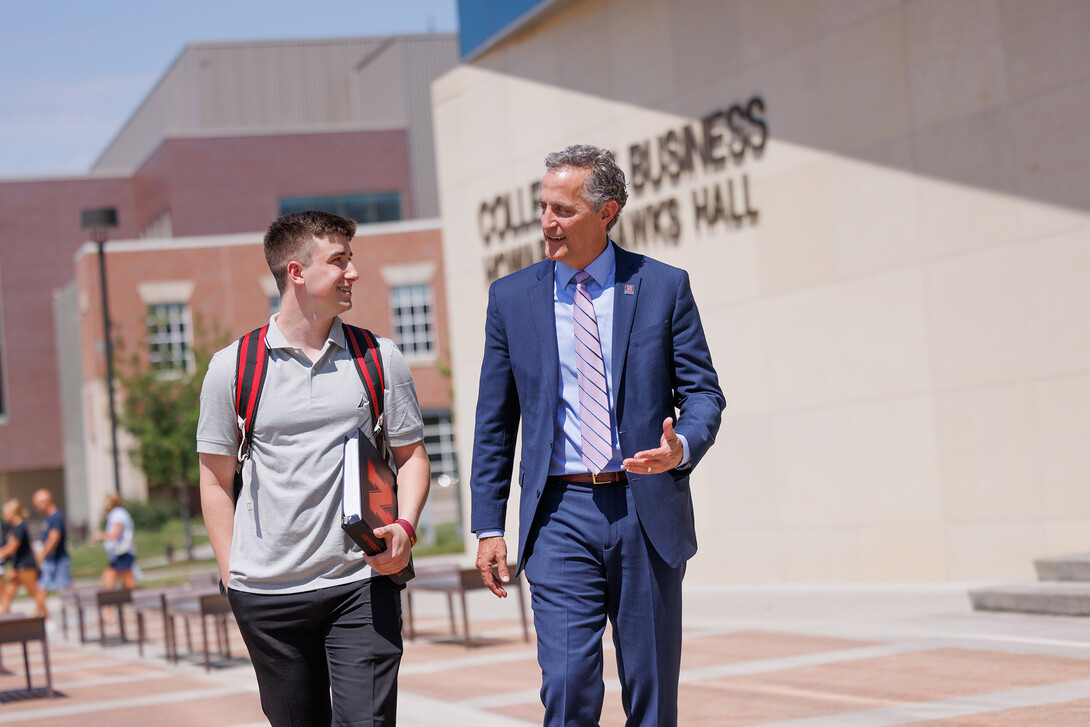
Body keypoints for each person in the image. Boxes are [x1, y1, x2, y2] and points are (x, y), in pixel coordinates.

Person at [471, 144, 725, 726]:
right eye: (542, 208)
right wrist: (488, 525)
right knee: (566, 685)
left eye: (562, 210)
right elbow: (494, 422)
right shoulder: (511, 299)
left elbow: (705, 393)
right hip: (559, 513)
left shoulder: (663, 287)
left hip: (646, 509)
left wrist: (680, 446)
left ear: (607, 211)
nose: (546, 223)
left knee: (653, 692)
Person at [197, 210, 430, 727]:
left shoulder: (379, 357)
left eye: (351, 259)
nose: (353, 273)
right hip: (266, 597)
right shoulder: (232, 367)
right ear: (296, 272)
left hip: (361, 581)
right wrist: (231, 573)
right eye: (339, 261)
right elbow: (214, 479)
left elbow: (412, 457)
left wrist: (405, 530)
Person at [0, 499, 50, 617]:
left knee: (35, 593)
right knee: (7, 593)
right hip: (17, 566)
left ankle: (48, 619)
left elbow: (12, 547)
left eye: (6, 512)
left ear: (14, 512)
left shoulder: (20, 527)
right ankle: (4, 619)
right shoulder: (13, 527)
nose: (4, 515)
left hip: (25, 566)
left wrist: (1, 553)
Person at [33, 488, 73, 594]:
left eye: (38, 504)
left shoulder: (55, 517)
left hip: (59, 560)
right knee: (42, 587)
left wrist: (42, 555)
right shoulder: (49, 518)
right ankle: (38, 611)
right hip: (51, 560)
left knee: (66, 591)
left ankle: (77, 609)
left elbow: (54, 539)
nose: (36, 507)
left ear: (46, 502)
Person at [94, 493, 138, 589]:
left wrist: (100, 536)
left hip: (122, 553)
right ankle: (129, 599)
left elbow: (115, 534)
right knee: (127, 580)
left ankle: (110, 602)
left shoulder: (117, 515)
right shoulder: (120, 513)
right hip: (123, 552)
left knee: (109, 576)